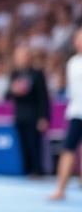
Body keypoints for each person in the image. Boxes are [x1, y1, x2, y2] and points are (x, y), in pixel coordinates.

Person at [49, 28, 82, 202]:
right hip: (76, 113)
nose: (79, 41)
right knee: (68, 150)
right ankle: (60, 189)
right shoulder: (72, 62)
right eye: (77, 38)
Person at [9, 45, 51, 177]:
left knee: (35, 144)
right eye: (18, 57)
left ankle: (37, 170)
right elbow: (7, 94)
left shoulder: (37, 74)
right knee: (23, 144)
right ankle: (25, 169)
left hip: (34, 114)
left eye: (23, 56)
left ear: (29, 57)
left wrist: (44, 117)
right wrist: (14, 91)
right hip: (20, 115)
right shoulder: (15, 74)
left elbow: (43, 97)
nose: (20, 59)